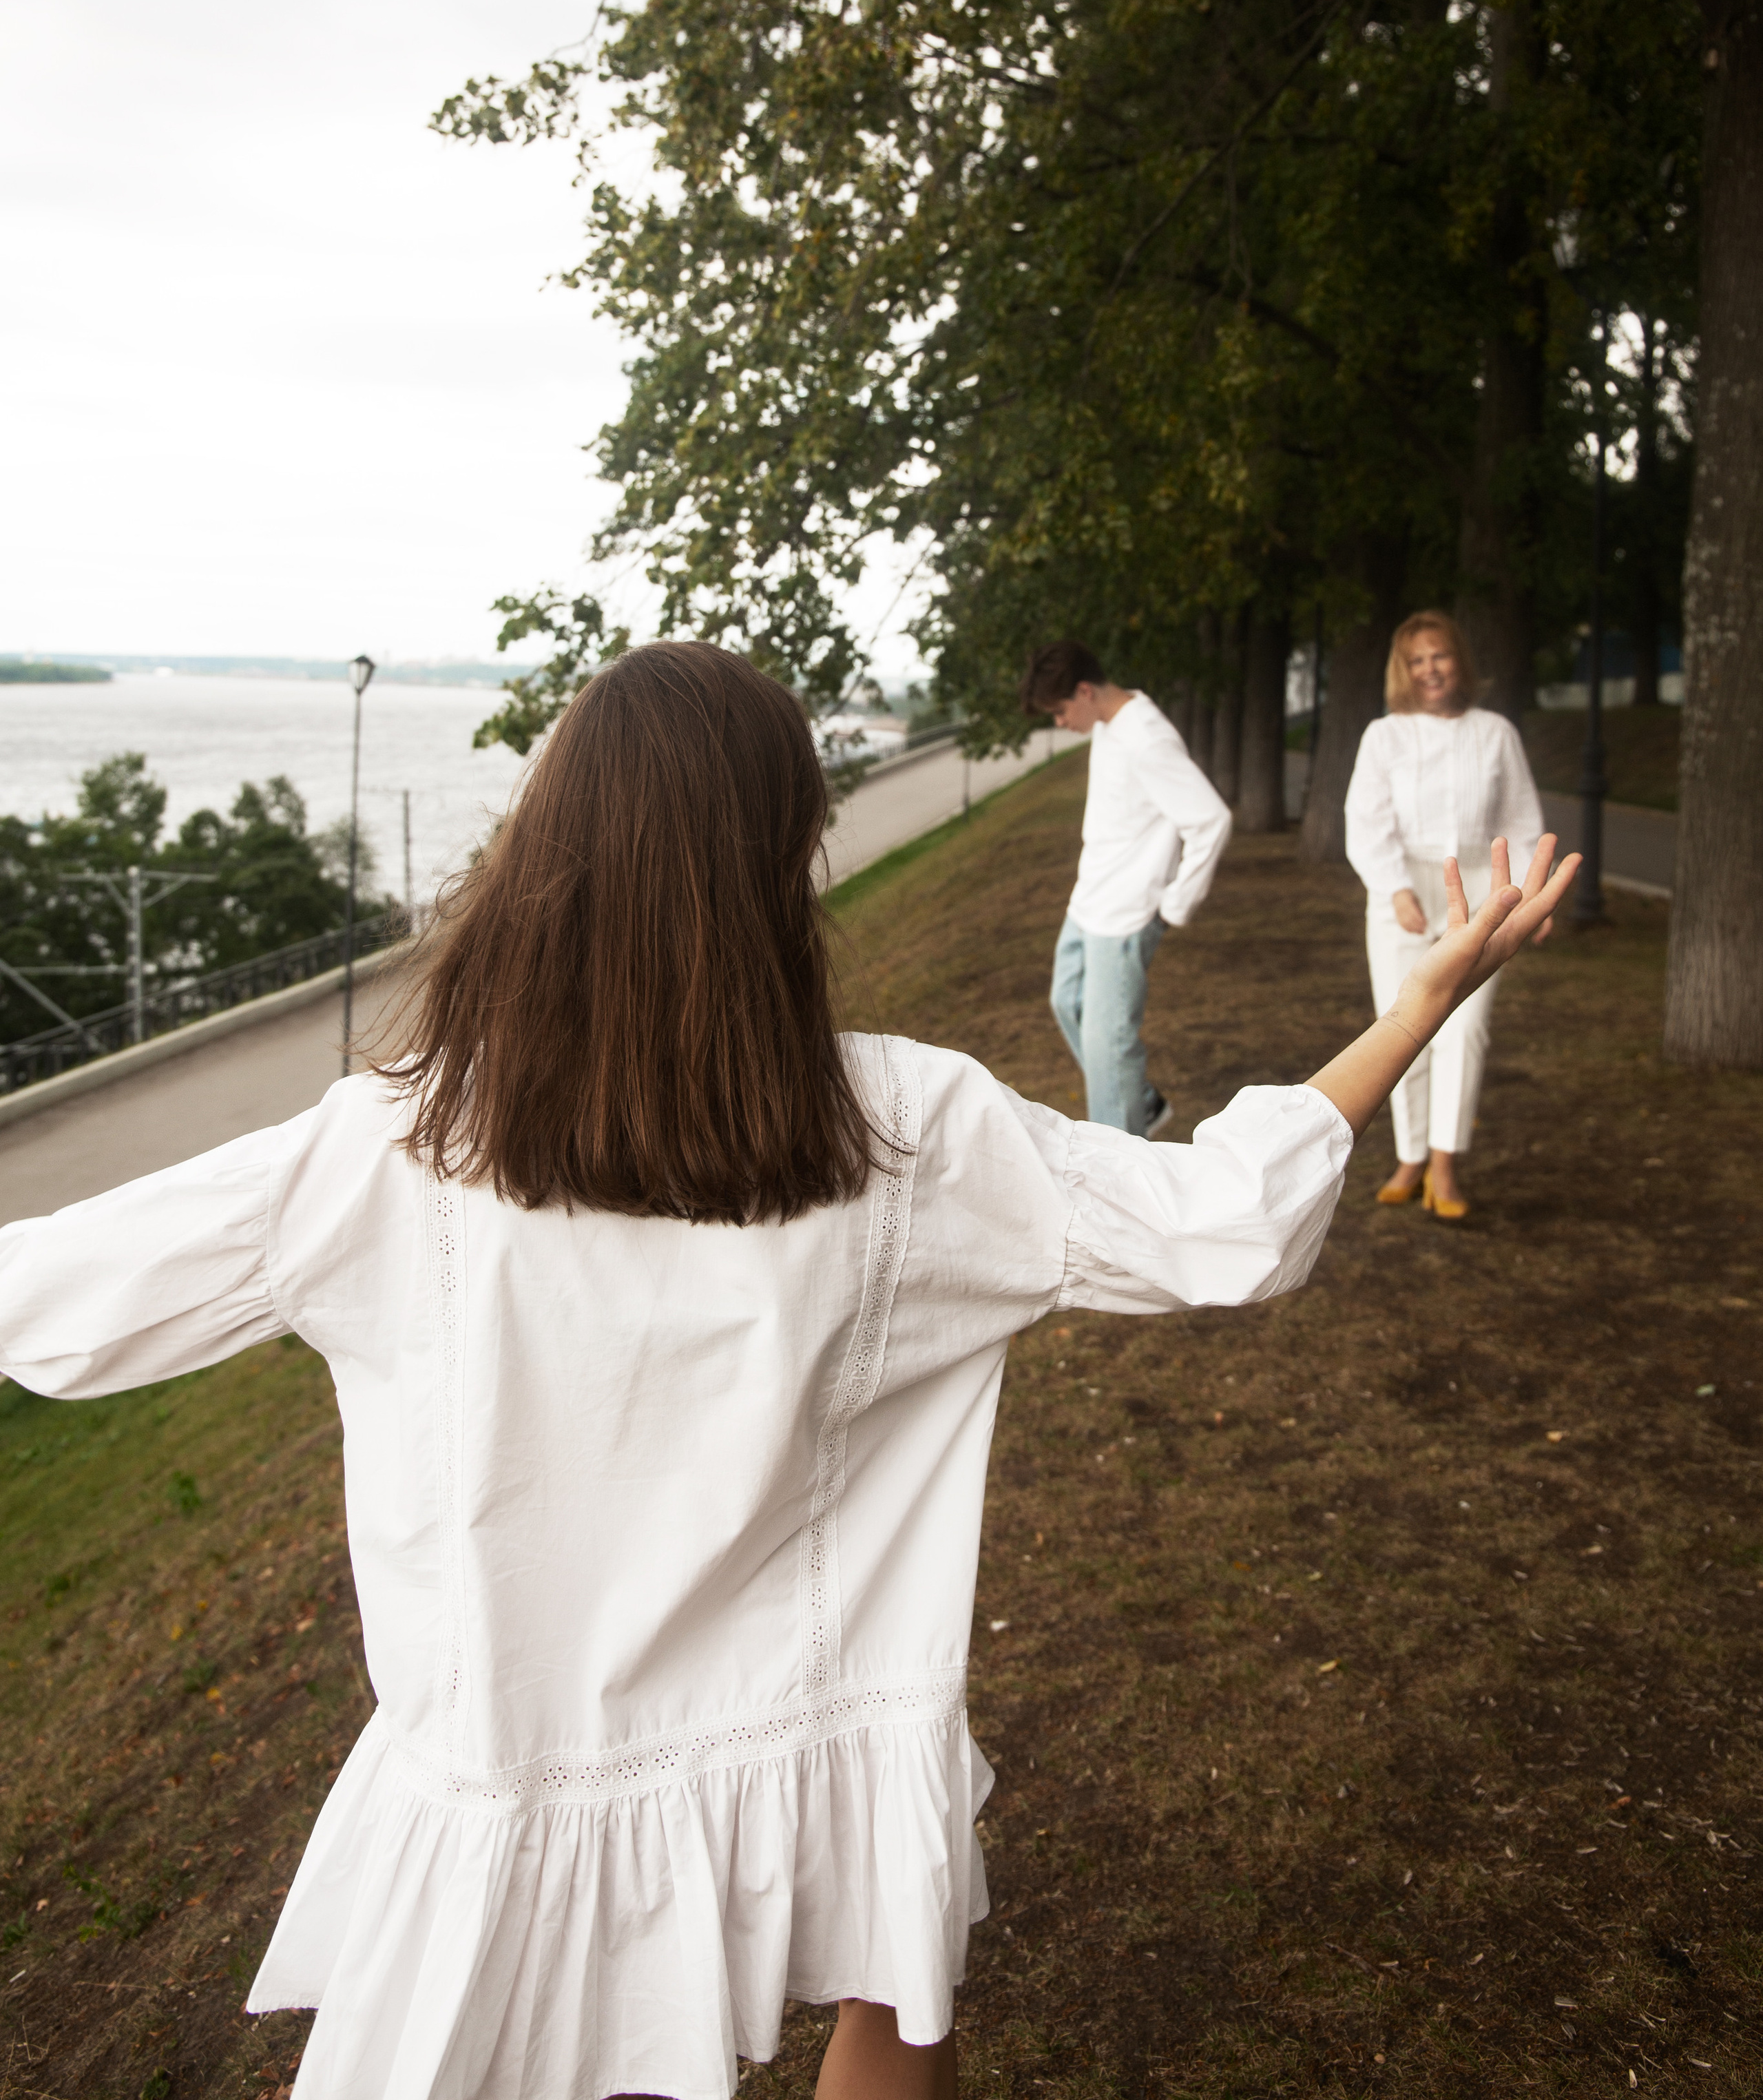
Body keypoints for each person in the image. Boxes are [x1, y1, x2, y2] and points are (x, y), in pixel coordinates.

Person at [0, 642, 1576, 2100]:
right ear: (785, 857)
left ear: (544, 849)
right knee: (892, 1991)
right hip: (820, 1720)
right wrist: (1416, 1002)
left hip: (502, 1777)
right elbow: (1216, 1216)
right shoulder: (904, 1129)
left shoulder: (384, 1148)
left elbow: (53, 1304)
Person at [1344, 609, 1548, 1219]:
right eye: (1417, 660)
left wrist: (1530, 901)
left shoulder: (1495, 733)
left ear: (1459, 660)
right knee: (1403, 1026)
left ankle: (1445, 1162)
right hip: (1405, 890)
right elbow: (1366, 821)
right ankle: (1408, 1154)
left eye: (1440, 656)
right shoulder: (1385, 736)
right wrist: (1394, 887)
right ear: (1403, 671)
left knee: (1466, 1028)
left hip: (1480, 893)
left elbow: (1521, 820)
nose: (1430, 670)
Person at [1019, 638, 1231, 1136]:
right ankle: (1142, 1102)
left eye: (1059, 710)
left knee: (1108, 1047)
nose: (1060, 722)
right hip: (1089, 902)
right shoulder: (1111, 722)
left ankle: (1122, 1167)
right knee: (1065, 1002)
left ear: (1086, 691)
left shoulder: (1147, 739)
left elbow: (1211, 820)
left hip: (1125, 917)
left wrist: (1174, 906)